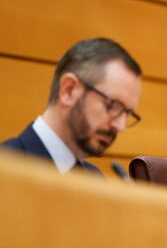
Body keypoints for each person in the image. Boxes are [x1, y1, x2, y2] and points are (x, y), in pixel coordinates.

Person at [1, 38, 142, 174]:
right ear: (68, 90)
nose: (120, 126)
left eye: (127, 113)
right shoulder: (6, 168)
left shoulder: (95, 180)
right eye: (113, 105)